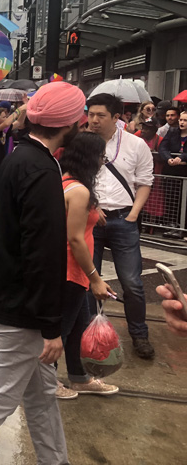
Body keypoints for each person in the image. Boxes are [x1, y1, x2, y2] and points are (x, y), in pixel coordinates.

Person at [0, 82, 86, 465]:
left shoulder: (23, 157)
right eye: (81, 117)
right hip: (24, 308)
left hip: (14, 298)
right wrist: (51, 325)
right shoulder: (40, 168)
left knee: (40, 397)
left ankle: (55, 460)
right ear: (69, 123)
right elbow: (42, 252)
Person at [87, 93, 155, 359]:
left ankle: (139, 334)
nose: (93, 120)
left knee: (132, 282)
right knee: (88, 280)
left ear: (116, 118)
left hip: (123, 219)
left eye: (100, 115)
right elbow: (75, 177)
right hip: (91, 219)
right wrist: (91, 208)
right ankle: (90, 333)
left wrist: (133, 215)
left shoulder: (135, 145)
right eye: (90, 114)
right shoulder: (82, 142)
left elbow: (144, 182)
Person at [57, 132, 119, 400]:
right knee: (61, 329)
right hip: (72, 271)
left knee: (78, 326)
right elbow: (75, 240)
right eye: (101, 156)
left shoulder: (66, 183)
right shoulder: (79, 191)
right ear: (90, 157)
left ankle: (79, 377)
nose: (102, 161)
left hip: (73, 271)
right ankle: (46, 380)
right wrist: (95, 278)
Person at [158, 110, 187, 238]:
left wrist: (182, 157)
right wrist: (168, 158)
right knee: (171, 199)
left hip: (184, 173)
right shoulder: (172, 132)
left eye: (185, 120)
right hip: (171, 172)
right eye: (181, 119)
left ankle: (183, 227)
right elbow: (162, 147)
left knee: (184, 200)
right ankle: (171, 225)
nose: (182, 122)